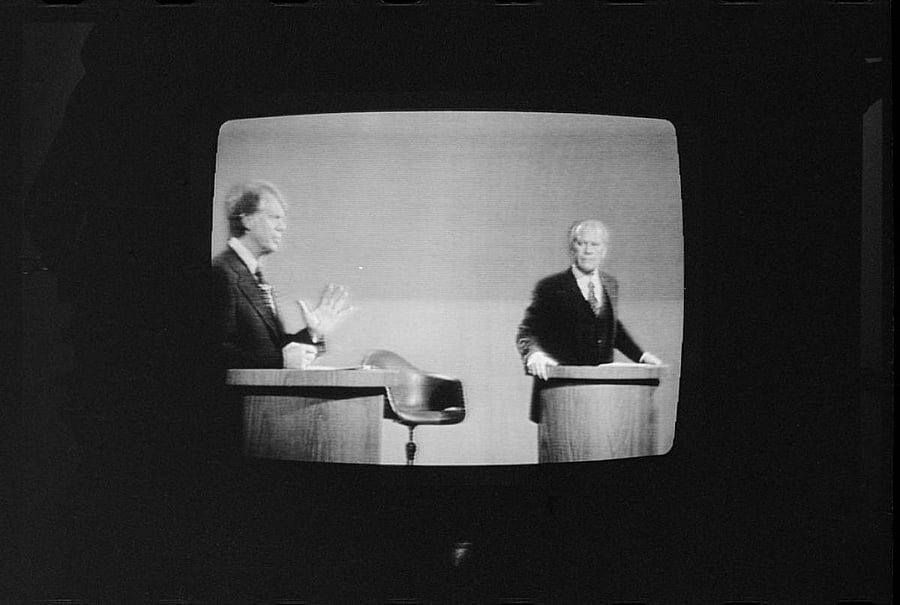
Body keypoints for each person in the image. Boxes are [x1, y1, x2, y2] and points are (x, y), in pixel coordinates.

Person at [516, 219, 662, 421]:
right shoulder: (550, 287)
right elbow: (528, 331)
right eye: (581, 243)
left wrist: (641, 356)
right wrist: (534, 355)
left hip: (604, 394)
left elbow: (612, 328)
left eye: (595, 245)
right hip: (560, 394)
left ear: (604, 251)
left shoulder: (610, 284)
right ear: (571, 248)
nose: (588, 251)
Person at [211, 181, 353, 369]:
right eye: (274, 217)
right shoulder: (221, 273)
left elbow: (272, 348)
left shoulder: (251, 275)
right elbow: (211, 351)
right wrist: (280, 361)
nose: (282, 227)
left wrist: (313, 333)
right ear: (247, 220)